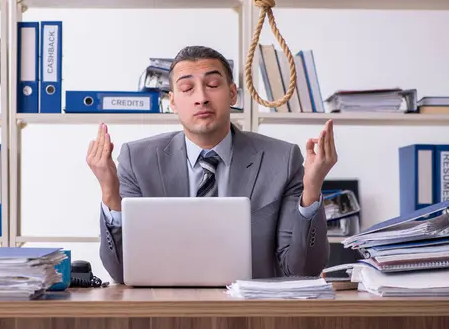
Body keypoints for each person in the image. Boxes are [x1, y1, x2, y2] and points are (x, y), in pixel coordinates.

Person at [86, 45, 337, 284]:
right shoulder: (137, 160)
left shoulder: (281, 159)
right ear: (172, 102)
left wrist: (312, 189)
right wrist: (109, 191)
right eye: (187, 88)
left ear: (232, 93)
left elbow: (302, 271)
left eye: (213, 85)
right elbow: (121, 272)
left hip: (252, 317)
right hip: (165, 314)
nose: (202, 98)